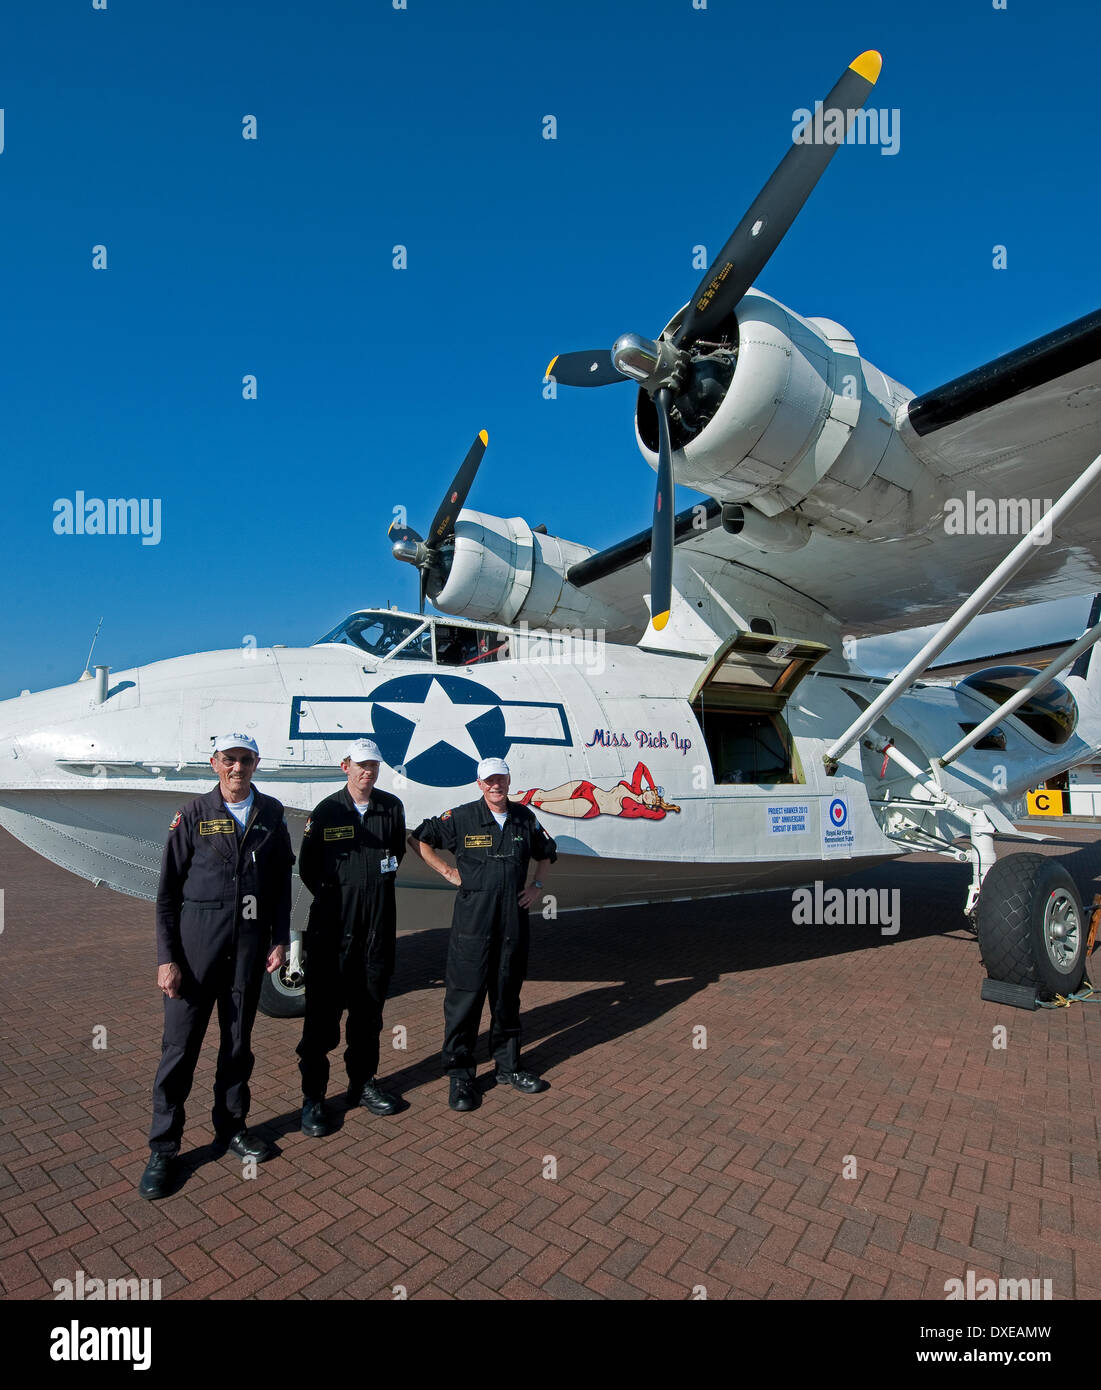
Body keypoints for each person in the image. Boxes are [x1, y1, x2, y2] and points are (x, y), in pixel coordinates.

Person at [140, 733, 294, 1199]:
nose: (237, 768)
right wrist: (167, 958)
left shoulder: (271, 815)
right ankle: (164, 1148)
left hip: (246, 951)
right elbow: (167, 895)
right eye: (229, 760)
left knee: (237, 1046)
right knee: (179, 1051)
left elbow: (280, 885)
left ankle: (231, 1127)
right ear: (214, 763)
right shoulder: (193, 815)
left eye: (245, 760)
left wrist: (280, 938)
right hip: (194, 953)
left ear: (256, 764)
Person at [407, 758, 557, 1112]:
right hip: (472, 926)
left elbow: (547, 853)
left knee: (507, 996)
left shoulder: (524, 818)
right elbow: (419, 839)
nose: (496, 786)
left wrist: (536, 885)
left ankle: (509, 1067)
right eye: (489, 780)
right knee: (465, 1000)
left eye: (501, 779)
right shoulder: (460, 817)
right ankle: (461, 1074)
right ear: (479, 784)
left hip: (513, 923)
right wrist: (446, 870)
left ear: (508, 781)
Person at [295, 739, 406, 1135]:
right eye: (361, 765)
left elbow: (394, 856)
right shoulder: (327, 812)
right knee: (322, 1020)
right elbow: (309, 867)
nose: (368, 772)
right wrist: (340, 895)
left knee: (368, 1015)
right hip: (332, 932)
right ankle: (314, 1099)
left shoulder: (391, 808)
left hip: (376, 929)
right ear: (345, 766)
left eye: (373, 765)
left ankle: (362, 1085)